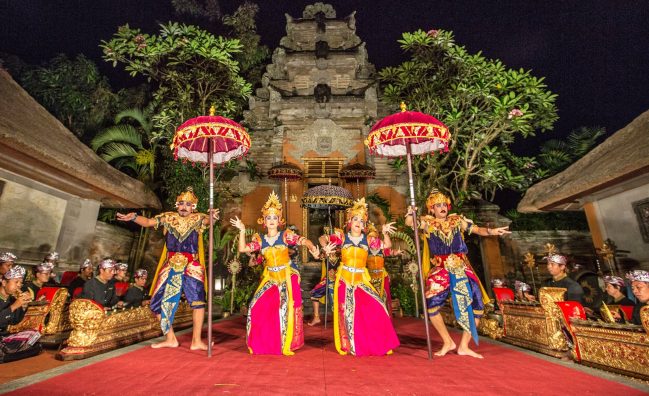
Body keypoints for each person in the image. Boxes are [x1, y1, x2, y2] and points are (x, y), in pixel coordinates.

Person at [405, 189, 510, 358]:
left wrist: (492, 232)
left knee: (477, 307)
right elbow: (410, 223)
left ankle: (463, 346)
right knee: (431, 304)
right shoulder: (428, 223)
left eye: (444, 204)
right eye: (437, 205)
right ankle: (448, 341)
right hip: (440, 269)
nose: (442, 208)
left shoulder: (457, 220)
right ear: (432, 209)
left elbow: (477, 230)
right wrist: (411, 212)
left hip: (462, 268)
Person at [117, 187, 218, 350]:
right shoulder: (168, 217)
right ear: (177, 205)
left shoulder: (199, 218)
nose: (184, 207)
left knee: (198, 302)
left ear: (194, 206)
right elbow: (149, 222)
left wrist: (213, 216)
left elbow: (209, 221)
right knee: (156, 302)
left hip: (192, 265)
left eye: (188, 204)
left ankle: (196, 341)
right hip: (170, 265)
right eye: (181, 203)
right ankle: (171, 338)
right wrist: (134, 217)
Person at [230, 191, 321, 355]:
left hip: (287, 274)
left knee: (287, 306)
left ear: (279, 221)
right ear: (264, 221)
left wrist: (313, 248)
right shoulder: (260, 240)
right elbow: (243, 249)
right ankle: (266, 341)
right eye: (268, 218)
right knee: (256, 306)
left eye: (274, 218)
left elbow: (303, 240)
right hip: (270, 276)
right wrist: (242, 230)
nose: (272, 221)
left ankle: (288, 341)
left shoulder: (285, 236)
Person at [324, 198, 400, 356]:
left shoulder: (369, 240)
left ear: (365, 225)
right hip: (344, 280)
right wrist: (326, 247)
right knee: (348, 313)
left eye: (362, 220)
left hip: (361, 280)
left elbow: (386, 246)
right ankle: (352, 344)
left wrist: (385, 233)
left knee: (378, 305)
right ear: (349, 222)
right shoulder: (341, 237)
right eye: (355, 219)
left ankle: (379, 341)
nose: (358, 222)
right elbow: (323, 238)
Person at [308, 233, 340, 326]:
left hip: (340, 278)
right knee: (314, 293)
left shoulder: (341, 250)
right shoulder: (325, 251)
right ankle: (316, 317)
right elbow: (318, 256)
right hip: (328, 278)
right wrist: (318, 254)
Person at [366, 222, 398, 312]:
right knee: (371, 300)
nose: (373, 240)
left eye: (375, 238)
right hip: (369, 278)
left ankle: (384, 318)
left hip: (381, 277)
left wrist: (385, 233)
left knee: (383, 298)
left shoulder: (382, 250)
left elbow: (389, 248)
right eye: (371, 237)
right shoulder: (365, 249)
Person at [0, 266, 31, 334]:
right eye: (16, 282)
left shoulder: (12, 299)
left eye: (21, 283)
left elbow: (14, 322)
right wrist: (13, 306)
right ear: (4, 283)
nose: (19, 285)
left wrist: (23, 306)